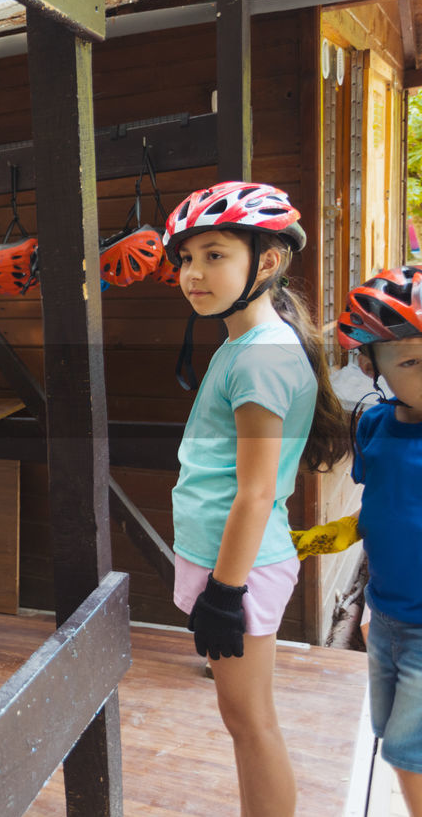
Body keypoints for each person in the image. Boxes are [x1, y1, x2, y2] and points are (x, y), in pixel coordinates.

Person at [163, 182, 350, 816]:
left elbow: (258, 489)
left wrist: (225, 591)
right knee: (243, 722)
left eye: (214, 255)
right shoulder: (245, 344)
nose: (193, 273)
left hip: (238, 568)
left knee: (251, 725)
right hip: (225, 560)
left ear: (265, 262)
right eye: (187, 258)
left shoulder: (262, 356)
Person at [319, 265, 422, 815]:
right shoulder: (373, 427)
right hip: (385, 617)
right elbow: (384, 506)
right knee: (389, 733)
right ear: (369, 365)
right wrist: (333, 539)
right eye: (410, 361)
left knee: (408, 752)